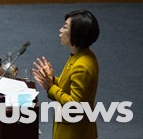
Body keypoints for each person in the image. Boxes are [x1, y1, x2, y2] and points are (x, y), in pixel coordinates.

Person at [32, 10, 100, 139]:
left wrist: (51, 88)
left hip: (75, 132)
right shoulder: (81, 55)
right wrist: (52, 80)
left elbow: (74, 105)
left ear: (76, 33)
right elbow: (70, 85)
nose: (60, 30)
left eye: (65, 27)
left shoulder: (82, 66)